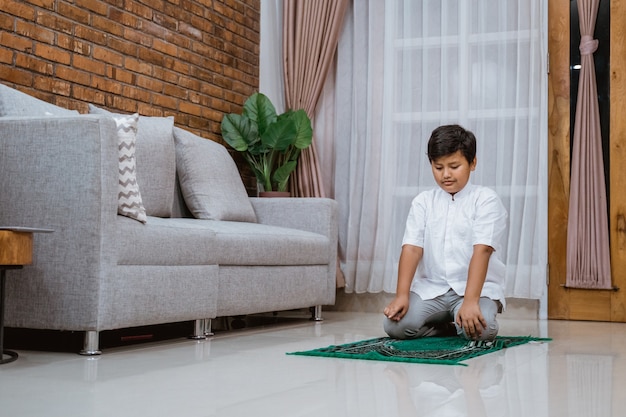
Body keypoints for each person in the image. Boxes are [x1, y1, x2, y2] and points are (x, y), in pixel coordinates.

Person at [383, 124, 507, 341]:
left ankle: (464, 318)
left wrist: (470, 302)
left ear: (473, 163)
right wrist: (402, 295)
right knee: (394, 326)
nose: (446, 175)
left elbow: (483, 250)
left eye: (454, 166)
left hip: (476, 291)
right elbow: (411, 249)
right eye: (438, 167)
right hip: (433, 289)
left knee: (482, 331)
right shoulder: (423, 202)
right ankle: (447, 329)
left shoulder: (486, 200)